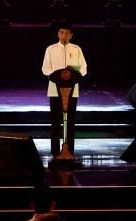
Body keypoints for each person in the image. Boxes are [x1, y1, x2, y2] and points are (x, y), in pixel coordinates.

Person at [41, 22, 87, 156]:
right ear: (58, 34)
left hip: (72, 91)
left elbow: (84, 68)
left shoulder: (76, 49)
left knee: (71, 122)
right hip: (55, 91)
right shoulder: (51, 49)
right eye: (61, 32)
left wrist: (73, 76)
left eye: (67, 33)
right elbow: (45, 69)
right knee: (55, 123)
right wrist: (58, 75)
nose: (64, 35)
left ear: (71, 35)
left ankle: (70, 151)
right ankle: (55, 152)